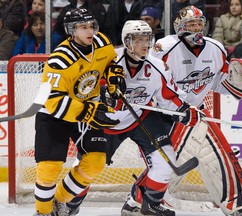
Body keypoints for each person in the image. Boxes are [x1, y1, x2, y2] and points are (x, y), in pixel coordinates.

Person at [65, 20, 203, 216]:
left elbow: (169, 96)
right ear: (127, 41)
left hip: (140, 116)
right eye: (138, 40)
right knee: (86, 167)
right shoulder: (106, 59)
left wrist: (185, 111)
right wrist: (100, 97)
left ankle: (151, 203)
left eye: (147, 39)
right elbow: (84, 86)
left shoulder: (157, 66)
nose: (145, 44)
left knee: (166, 160)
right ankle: (68, 205)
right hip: (106, 121)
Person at [150, 5, 242, 216]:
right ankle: (143, 198)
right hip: (167, 116)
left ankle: (235, 202)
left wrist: (239, 82)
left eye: (199, 23)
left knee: (218, 153)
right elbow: (150, 79)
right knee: (171, 161)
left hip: (196, 114)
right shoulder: (163, 48)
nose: (196, 28)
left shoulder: (215, 48)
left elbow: (218, 82)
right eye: (190, 24)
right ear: (179, 27)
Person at [32, 8, 126, 216]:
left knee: (96, 161)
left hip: (86, 109)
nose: (90, 30)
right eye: (83, 27)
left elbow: (110, 62)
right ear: (71, 31)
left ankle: (59, 201)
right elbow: (53, 99)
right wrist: (88, 112)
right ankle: (43, 211)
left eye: (91, 25)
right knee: (50, 168)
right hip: (55, 115)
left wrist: (114, 76)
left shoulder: (101, 42)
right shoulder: (60, 60)